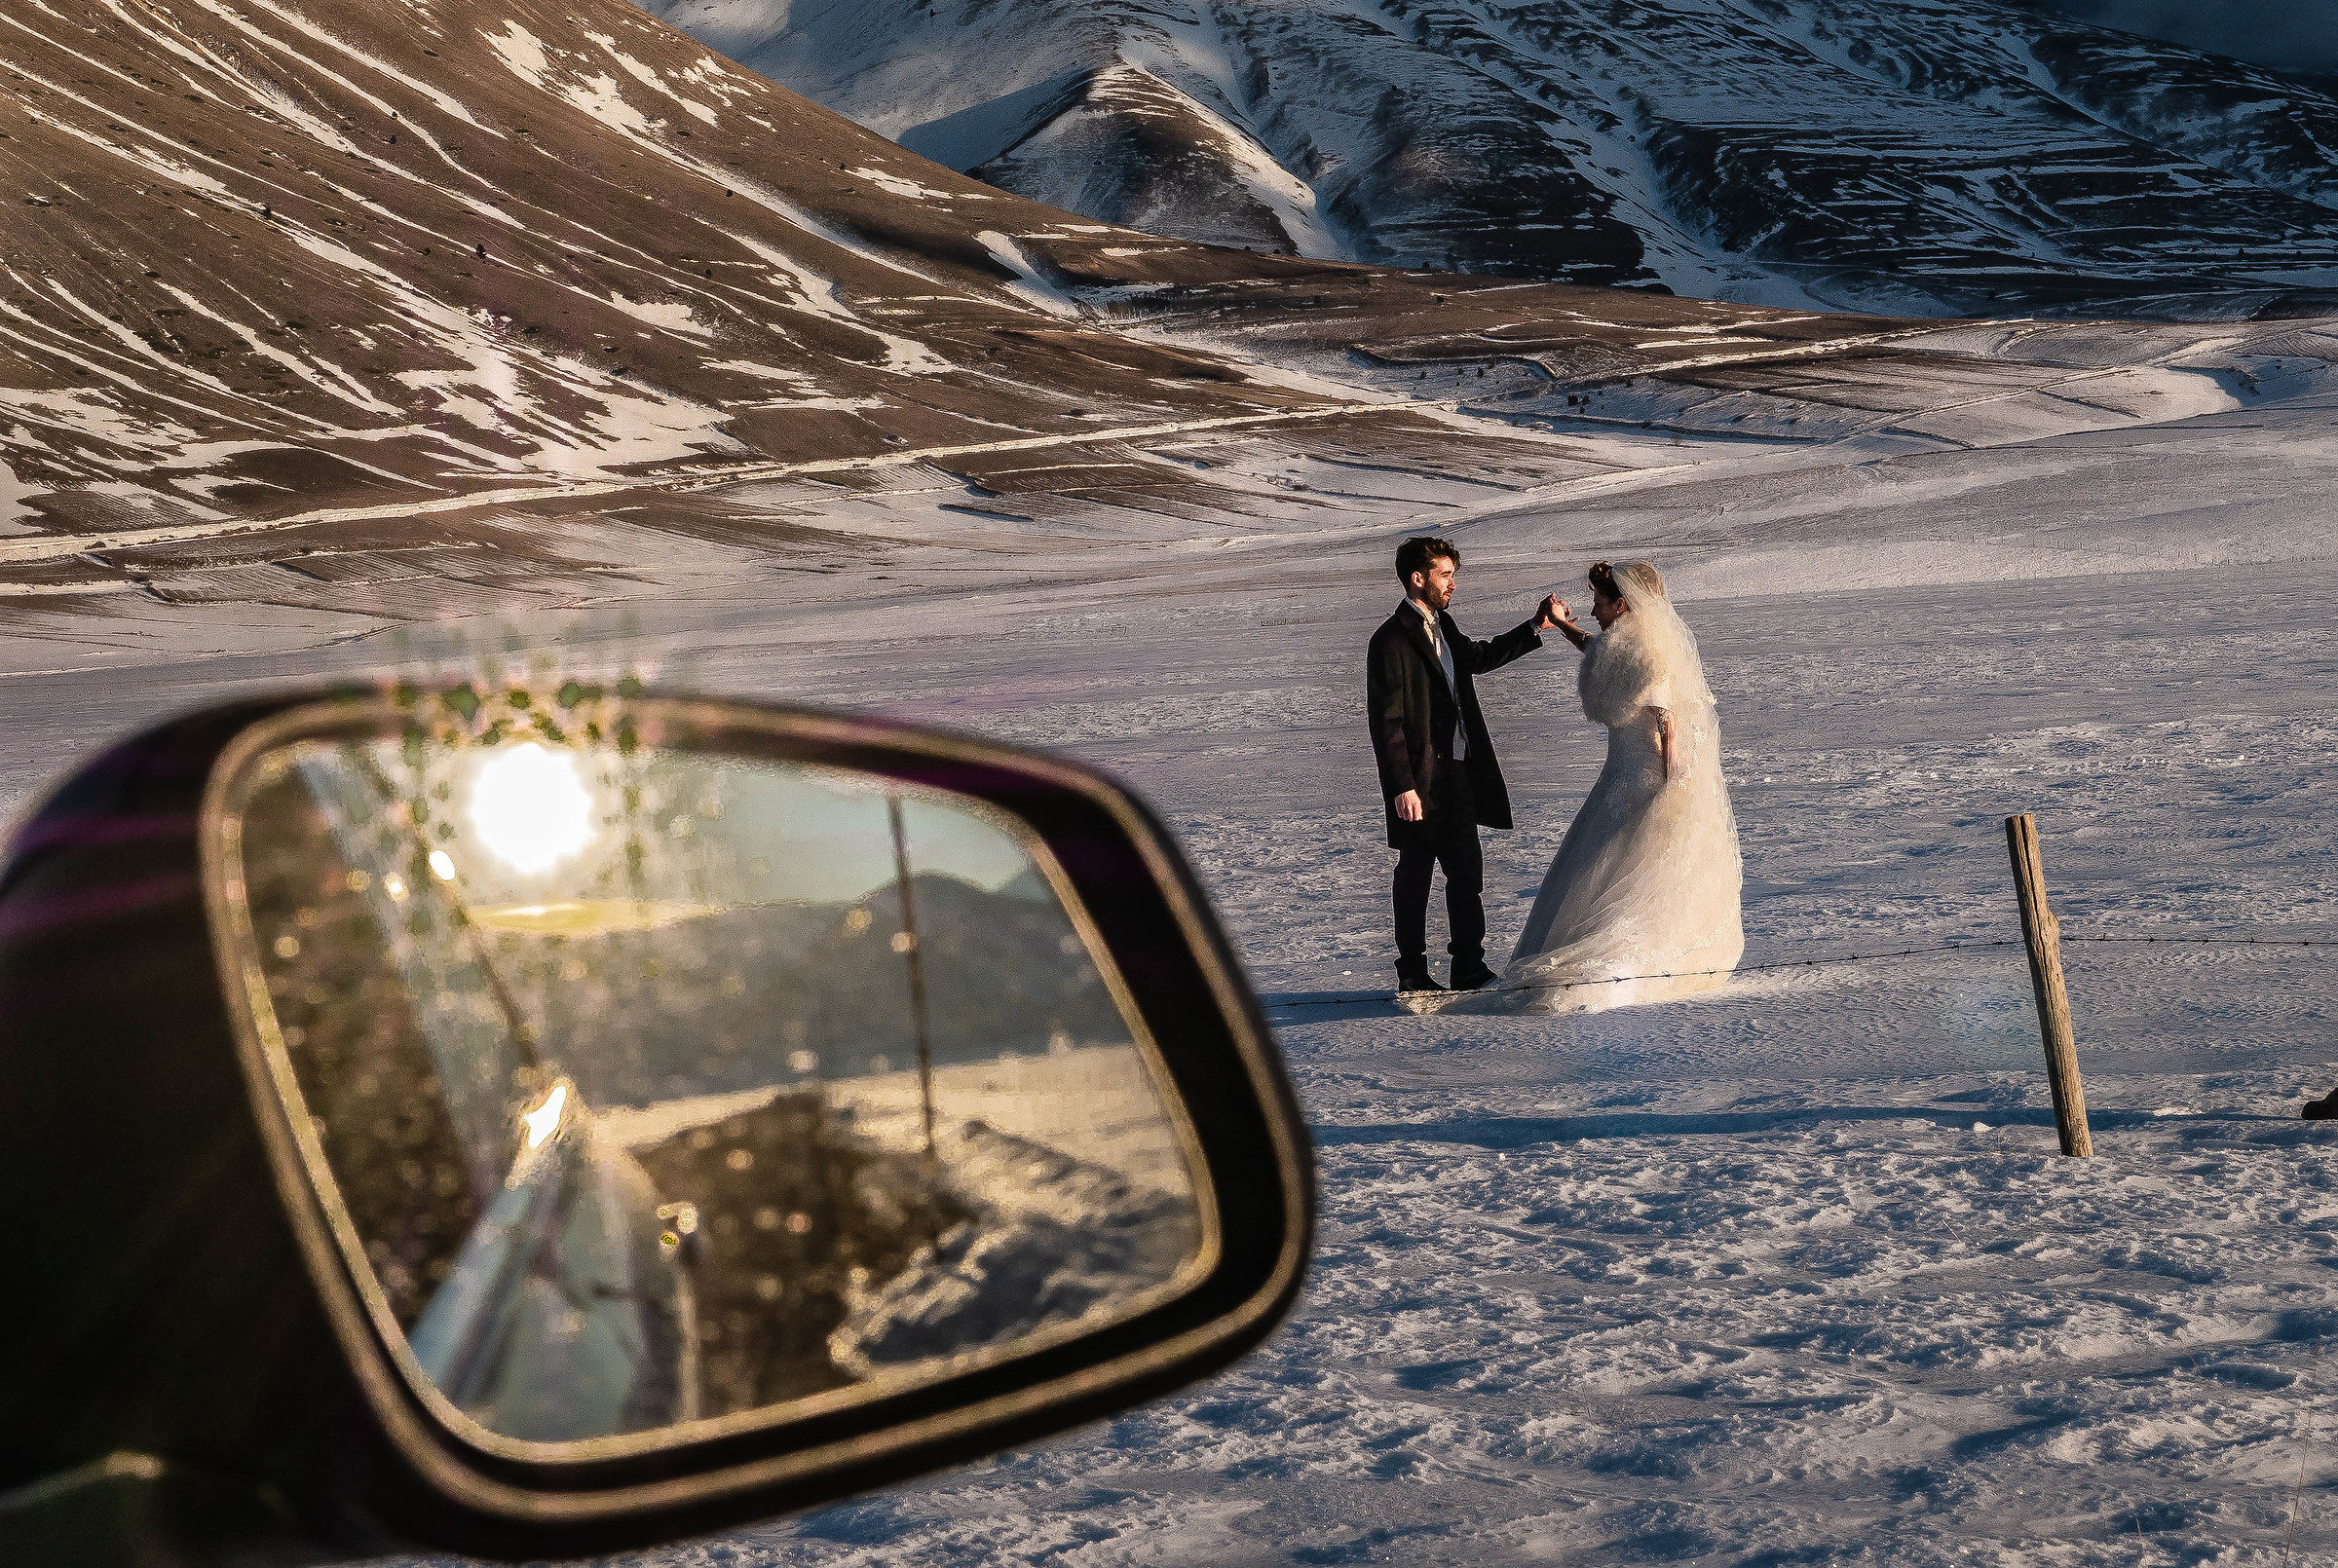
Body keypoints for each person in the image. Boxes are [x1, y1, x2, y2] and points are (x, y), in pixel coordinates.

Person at [1460, 560, 1742, 1014]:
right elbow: (1601, 654)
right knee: (1598, 870)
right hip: (1619, 776)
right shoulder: (1626, 644)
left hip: (1644, 781)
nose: (1592, 610)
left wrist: (1674, 788)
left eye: (1597, 601)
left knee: (1635, 869)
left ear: (1621, 604)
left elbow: (1668, 723)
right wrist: (1562, 626)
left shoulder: (1652, 653)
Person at [1367, 536, 1567, 994]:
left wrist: (1535, 626)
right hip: (1418, 782)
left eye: (1453, 574)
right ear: (1418, 579)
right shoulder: (1389, 640)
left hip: (1457, 773)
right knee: (1414, 876)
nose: (1453, 584)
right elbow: (1387, 723)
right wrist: (1402, 787)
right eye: (1446, 575)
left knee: (1465, 872)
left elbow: (1476, 658)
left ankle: (1468, 967)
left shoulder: (1444, 624)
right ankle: (1413, 973)